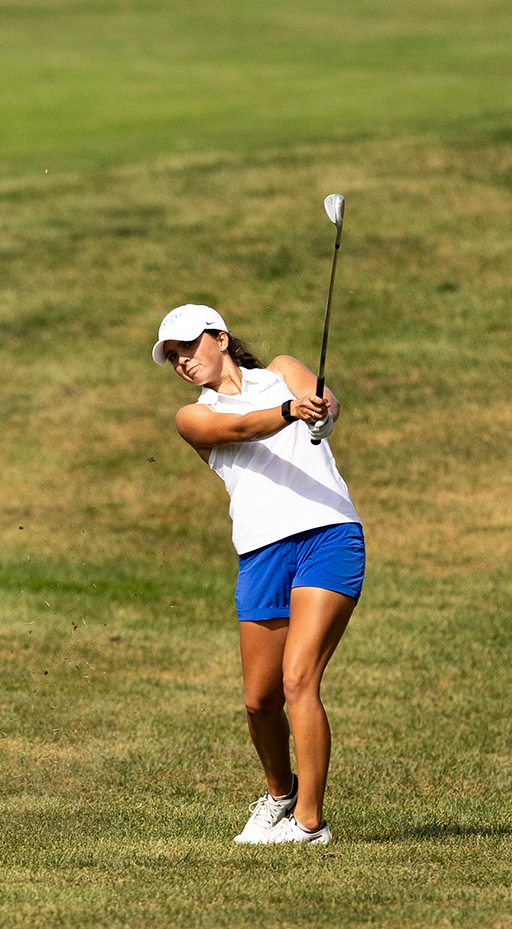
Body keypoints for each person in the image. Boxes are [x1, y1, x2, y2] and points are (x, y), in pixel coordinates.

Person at [152, 303, 365, 846]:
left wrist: (321, 411)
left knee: (300, 681)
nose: (182, 361)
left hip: (329, 534)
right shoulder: (192, 417)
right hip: (261, 552)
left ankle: (311, 824)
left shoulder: (285, 369)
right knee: (259, 699)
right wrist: (293, 412)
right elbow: (244, 425)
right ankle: (279, 795)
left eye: (188, 346)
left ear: (220, 337)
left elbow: (327, 406)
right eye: (172, 356)